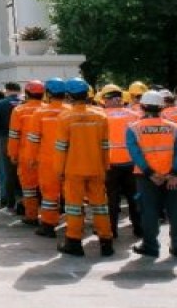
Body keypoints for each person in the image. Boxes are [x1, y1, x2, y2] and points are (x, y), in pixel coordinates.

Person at [53, 78, 114, 257]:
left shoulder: (65, 117)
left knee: (73, 207)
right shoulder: (101, 115)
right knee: (100, 206)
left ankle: (74, 242)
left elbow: (61, 147)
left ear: (69, 96)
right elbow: (105, 145)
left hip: (74, 170)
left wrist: (59, 170)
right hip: (96, 168)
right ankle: (106, 242)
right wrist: (105, 167)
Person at [126, 90, 177, 258]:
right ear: (162, 107)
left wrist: (150, 173)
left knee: (149, 212)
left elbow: (135, 153)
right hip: (171, 177)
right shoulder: (175, 128)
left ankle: (150, 246)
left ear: (143, 106)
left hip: (146, 177)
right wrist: (174, 174)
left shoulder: (134, 128)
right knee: (176, 212)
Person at [102, 85, 141, 239]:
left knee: (111, 199)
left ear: (106, 99)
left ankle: (111, 230)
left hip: (109, 163)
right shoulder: (134, 115)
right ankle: (139, 228)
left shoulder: (101, 115)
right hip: (131, 162)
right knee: (134, 197)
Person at [32, 78, 68, 237]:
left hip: (48, 160)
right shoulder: (71, 111)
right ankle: (75, 228)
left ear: (48, 93)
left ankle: (48, 225)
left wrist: (32, 158)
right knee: (73, 194)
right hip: (69, 159)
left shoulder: (40, 113)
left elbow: (33, 139)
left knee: (49, 194)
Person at [8, 80, 45, 217]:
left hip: (26, 155)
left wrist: (12, 154)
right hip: (46, 154)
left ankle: (31, 215)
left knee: (29, 187)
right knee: (48, 188)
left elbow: (14, 135)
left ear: (27, 94)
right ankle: (50, 217)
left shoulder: (18, 110)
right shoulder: (47, 109)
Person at [0, 82, 23, 211]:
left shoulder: (0, 104)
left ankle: (10, 202)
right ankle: (27, 201)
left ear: (7, 91)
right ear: (19, 90)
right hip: (27, 140)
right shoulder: (25, 103)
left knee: (9, 171)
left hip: (6, 139)